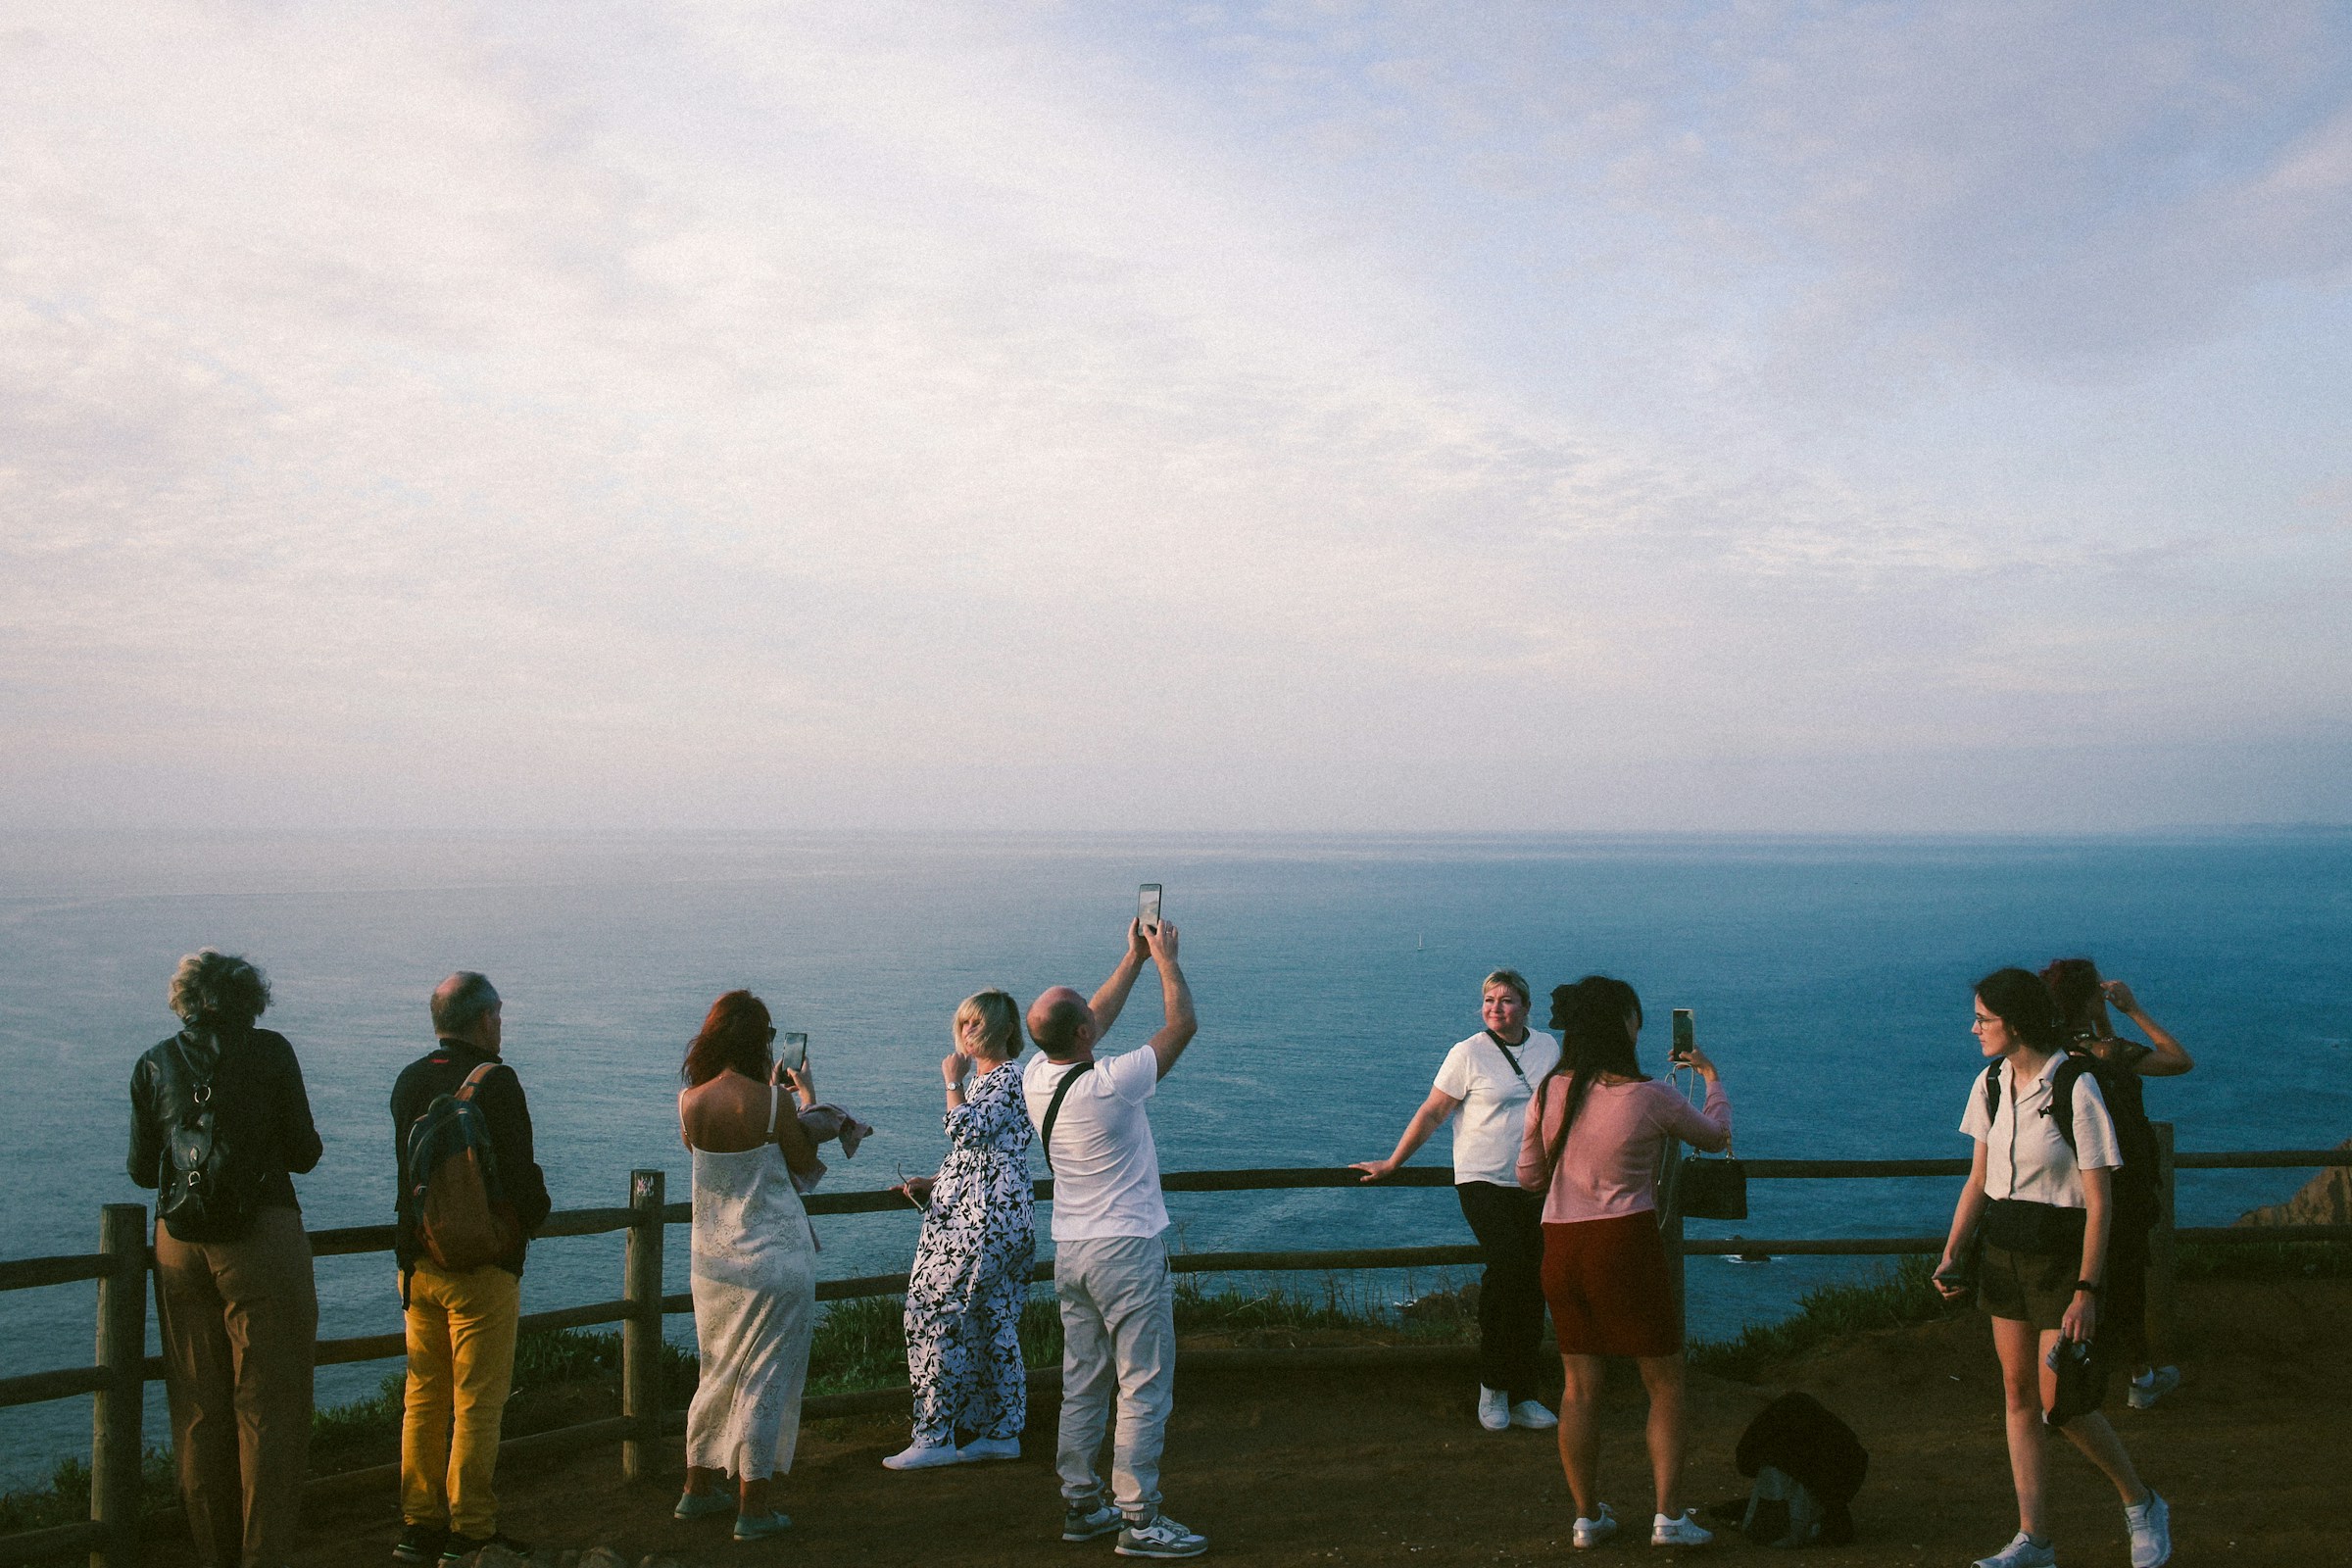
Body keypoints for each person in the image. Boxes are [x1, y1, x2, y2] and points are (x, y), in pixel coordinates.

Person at [1935, 968, 2172, 1568]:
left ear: (2014, 1023)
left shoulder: (2074, 1085)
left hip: (2062, 1255)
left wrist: (2087, 1289)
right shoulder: (1989, 1083)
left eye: (1984, 1018)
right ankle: (2034, 1538)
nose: (1974, 1028)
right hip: (2003, 1249)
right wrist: (1953, 1250)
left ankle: (2141, 1502)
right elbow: (1977, 1180)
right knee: (2017, 1395)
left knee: (2058, 1401)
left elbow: (2102, 1201)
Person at [1515, 974, 1729, 1551]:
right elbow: (1715, 1136)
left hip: (1561, 1246)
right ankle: (1668, 1516)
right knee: (1664, 1384)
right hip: (1625, 1246)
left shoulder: (1548, 1092)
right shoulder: (1651, 1097)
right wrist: (1709, 1076)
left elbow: (1529, 1177)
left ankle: (1587, 1518)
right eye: (1636, 1017)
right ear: (1623, 1027)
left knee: (1579, 1388)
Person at [128, 950, 322, 1568]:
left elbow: (140, 1171)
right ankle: (263, 1556)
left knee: (196, 1405)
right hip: (259, 1236)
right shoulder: (271, 1053)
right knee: (270, 1403)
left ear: (184, 999)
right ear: (250, 999)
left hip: (178, 1244)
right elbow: (303, 1151)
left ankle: (213, 1554)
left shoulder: (153, 1063)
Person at [1023, 918, 1206, 1560]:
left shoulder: (1034, 1078)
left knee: (1085, 1380)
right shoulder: (1111, 1084)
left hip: (1072, 1251)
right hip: (1127, 1251)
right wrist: (1165, 962)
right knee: (1144, 1382)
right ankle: (1140, 1518)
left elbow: (1084, 1019)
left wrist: (1129, 959)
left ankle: (1082, 1503)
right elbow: (1181, 1026)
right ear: (1083, 1035)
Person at [1351, 969, 1560, 1432]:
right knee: (1509, 1270)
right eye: (1488, 1000)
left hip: (1535, 1182)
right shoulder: (1467, 1054)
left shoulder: (1548, 1048)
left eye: (1506, 1000)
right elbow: (1433, 1111)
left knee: (1533, 1280)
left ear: (1526, 1006)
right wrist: (1393, 1162)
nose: (1495, 1008)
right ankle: (1493, 1386)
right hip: (1482, 1180)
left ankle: (1526, 1393)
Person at [390, 972, 552, 1565]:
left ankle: (419, 1523)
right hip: (481, 1265)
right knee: (478, 1400)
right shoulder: (499, 1083)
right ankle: (472, 1530)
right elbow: (519, 1174)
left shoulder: (410, 1079)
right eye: (499, 1015)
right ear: (484, 1020)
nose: (501, 1025)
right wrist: (534, 1217)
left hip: (419, 1263)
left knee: (424, 1395)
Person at [674, 990, 822, 1541]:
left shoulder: (690, 1103)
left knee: (714, 1370)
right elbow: (803, 1169)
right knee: (765, 1379)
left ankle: (697, 1488)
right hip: (776, 1258)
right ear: (761, 1042)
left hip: (712, 1262)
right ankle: (754, 1507)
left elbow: (713, 1169)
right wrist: (806, 1100)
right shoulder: (773, 1103)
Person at [886, 989, 1038, 1469]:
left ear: (1005, 1029)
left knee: (931, 1312)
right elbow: (977, 1150)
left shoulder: (1007, 1077)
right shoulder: (998, 1081)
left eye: (978, 1024)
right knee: (992, 1320)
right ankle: (1000, 1431)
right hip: (995, 1212)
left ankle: (934, 1436)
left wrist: (951, 1083)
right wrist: (936, 1180)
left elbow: (966, 1130)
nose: (968, 1032)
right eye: (964, 1023)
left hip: (980, 1220)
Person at [2041, 959, 2193, 1409]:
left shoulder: (2048, 1051)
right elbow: (2178, 1060)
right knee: (2125, 1280)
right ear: (2089, 998)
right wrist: (2131, 1009)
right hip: (2120, 1180)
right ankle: (2138, 1378)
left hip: (2065, 1183)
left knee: (2076, 1276)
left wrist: (2099, 1016)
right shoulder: (2105, 1052)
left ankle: (2090, 1360)